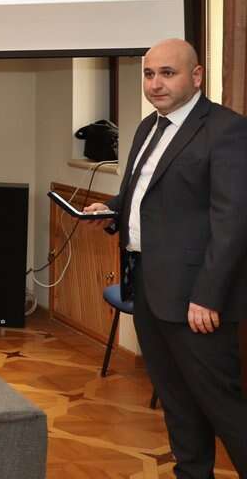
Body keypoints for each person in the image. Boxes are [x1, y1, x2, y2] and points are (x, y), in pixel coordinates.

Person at [84, 39, 247, 476]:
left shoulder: (227, 130)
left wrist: (208, 296)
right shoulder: (147, 128)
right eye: (149, 73)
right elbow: (141, 196)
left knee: (224, 408)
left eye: (167, 73)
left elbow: (233, 223)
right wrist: (111, 210)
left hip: (197, 301)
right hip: (148, 289)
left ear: (196, 76)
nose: (155, 84)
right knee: (177, 402)